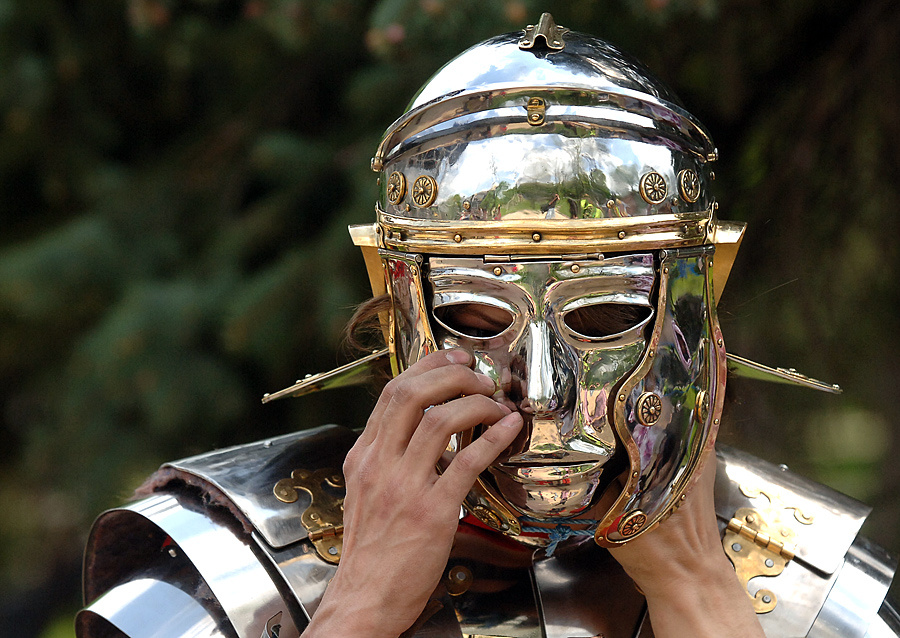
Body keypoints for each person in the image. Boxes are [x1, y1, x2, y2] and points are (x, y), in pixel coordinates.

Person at [75, 14, 897, 638]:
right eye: (476, 318)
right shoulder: (229, 574)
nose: (541, 392)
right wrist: (358, 606)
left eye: (604, 316)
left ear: (694, 327)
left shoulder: (823, 598)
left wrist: (699, 590)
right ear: (401, 315)